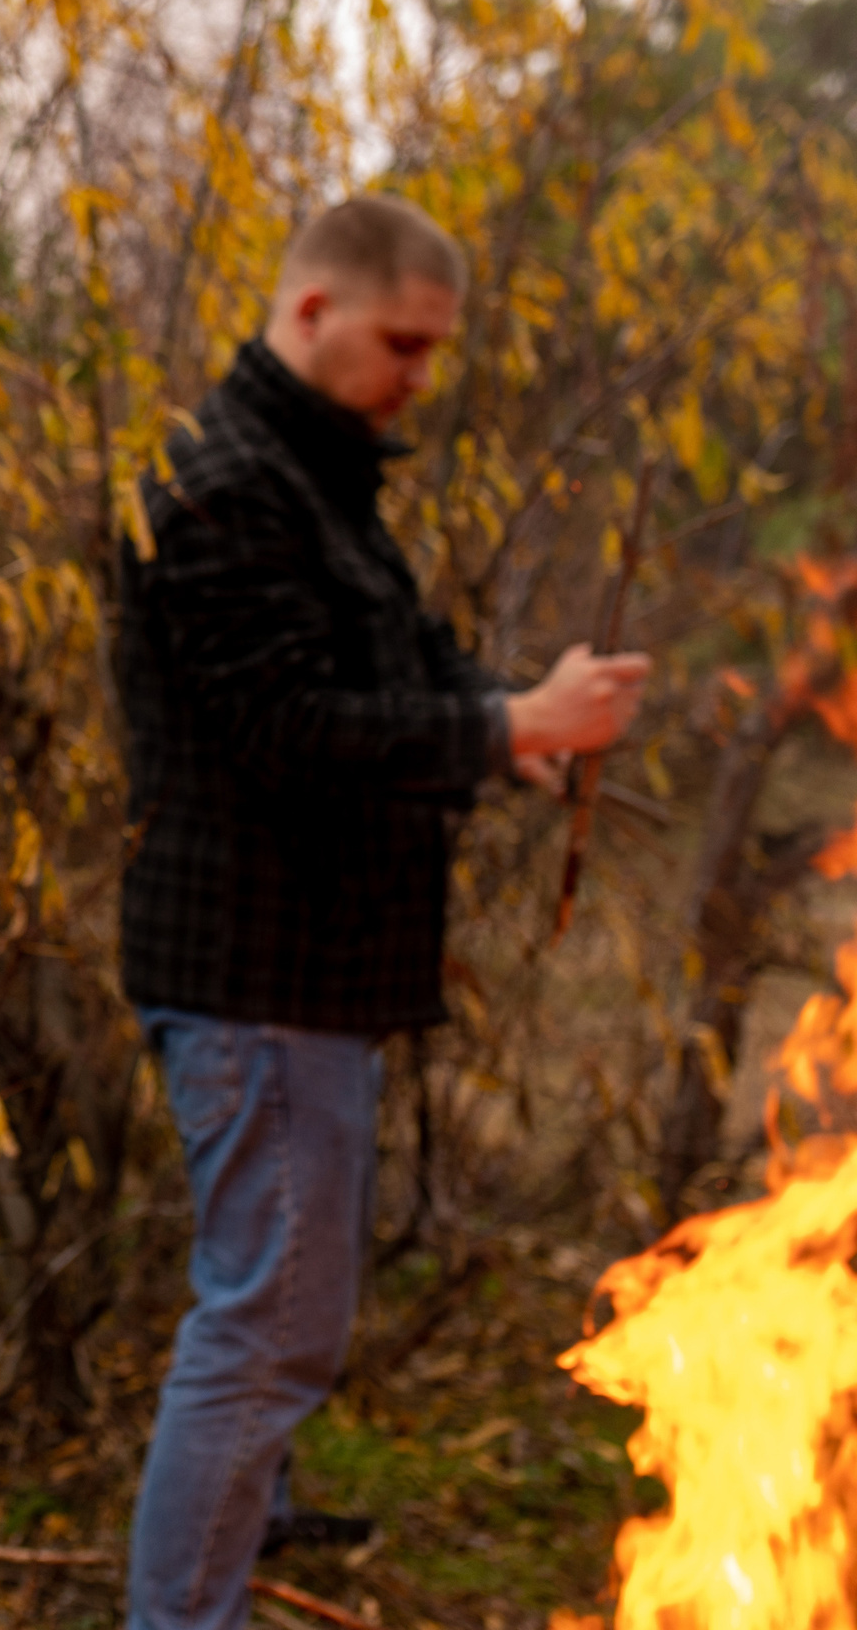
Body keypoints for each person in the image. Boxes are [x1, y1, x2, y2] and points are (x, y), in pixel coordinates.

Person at [114, 197, 649, 1630]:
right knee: (267, 1335)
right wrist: (492, 729)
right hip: (256, 978)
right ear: (310, 314)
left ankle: (254, 1524)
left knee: (266, 1315)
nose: (420, 375)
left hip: (309, 979)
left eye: (434, 350)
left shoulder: (314, 478)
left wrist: (508, 727)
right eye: (402, 345)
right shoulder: (219, 484)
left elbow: (398, 660)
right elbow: (280, 728)